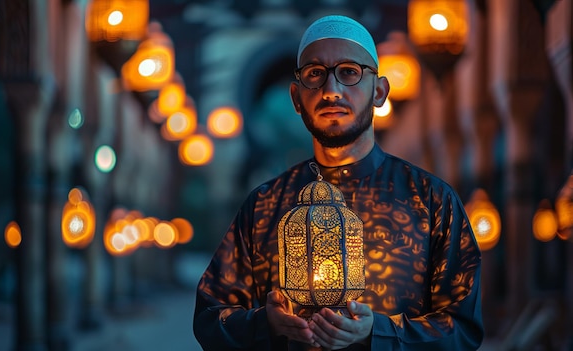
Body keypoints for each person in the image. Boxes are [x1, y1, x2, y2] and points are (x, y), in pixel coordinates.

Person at [193, 14, 483, 351]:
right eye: (315, 74)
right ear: (297, 98)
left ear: (379, 91)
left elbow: (462, 329)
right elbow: (210, 317)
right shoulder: (264, 205)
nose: (331, 90)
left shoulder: (432, 201)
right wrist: (266, 323)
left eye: (349, 72)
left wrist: (379, 333)